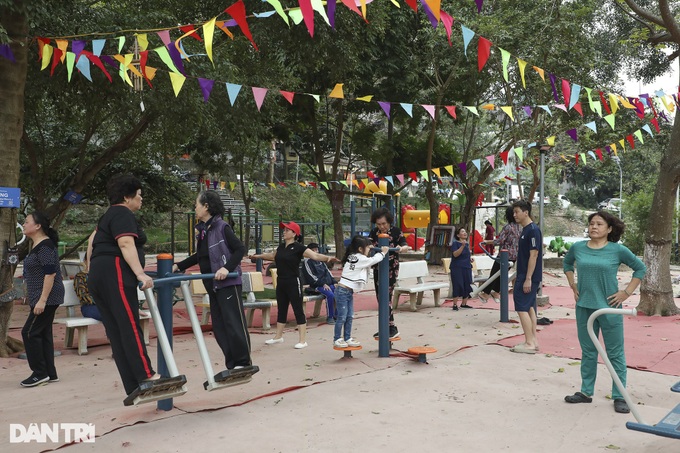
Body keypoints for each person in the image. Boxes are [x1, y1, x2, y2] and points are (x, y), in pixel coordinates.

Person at [87, 174, 165, 397]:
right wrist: (140, 273)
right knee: (129, 324)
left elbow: (92, 244)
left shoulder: (106, 217)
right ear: (126, 197)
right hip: (115, 272)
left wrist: (92, 270)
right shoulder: (122, 213)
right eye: (139, 195)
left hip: (99, 274)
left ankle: (133, 385)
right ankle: (147, 374)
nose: (141, 200)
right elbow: (125, 242)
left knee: (116, 330)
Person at [563, 211, 646, 414]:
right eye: (592, 223)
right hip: (584, 307)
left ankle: (619, 396)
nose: (594, 227)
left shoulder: (617, 250)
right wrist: (572, 284)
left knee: (615, 353)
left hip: (610, 308)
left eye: (599, 224)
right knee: (588, 351)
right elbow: (567, 263)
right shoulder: (578, 247)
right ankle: (585, 392)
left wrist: (626, 293)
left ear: (609, 229)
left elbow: (640, 268)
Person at [173, 191, 254, 372]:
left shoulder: (221, 227)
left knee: (233, 323)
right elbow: (200, 256)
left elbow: (240, 249)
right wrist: (178, 266)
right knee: (219, 327)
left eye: (197, 205)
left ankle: (243, 361)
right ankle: (232, 364)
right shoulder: (204, 231)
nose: (195, 208)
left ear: (206, 206)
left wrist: (227, 269)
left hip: (228, 283)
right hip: (213, 285)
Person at [249, 221, 338, 349]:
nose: (284, 232)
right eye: (284, 230)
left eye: (286, 230)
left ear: (294, 233)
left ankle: (303, 340)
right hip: (282, 282)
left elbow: (315, 255)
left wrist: (328, 258)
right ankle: (278, 337)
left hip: (293, 282)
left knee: (297, 309)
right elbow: (272, 256)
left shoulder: (299, 248)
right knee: (282, 309)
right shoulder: (281, 247)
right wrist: (258, 256)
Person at [20, 212, 65, 387]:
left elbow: (50, 273)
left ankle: (39, 373)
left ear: (37, 226)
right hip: (43, 297)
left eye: (26, 222)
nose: (23, 225)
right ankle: (49, 373)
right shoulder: (38, 245)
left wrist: (42, 300)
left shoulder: (45, 247)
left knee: (29, 332)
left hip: (47, 298)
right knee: (43, 333)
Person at [334, 236, 388, 348]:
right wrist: (383, 253)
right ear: (360, 249)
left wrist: (369, 247)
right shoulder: (361, 258)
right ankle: (337, 338)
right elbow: (373, 260)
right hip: (343, 291)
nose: (369, 250)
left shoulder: (354, 256)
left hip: (347, 291)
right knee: (342, 317)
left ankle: (347, 338)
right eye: (367, 248)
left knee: (349, 316)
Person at [369, 207, 409, 339]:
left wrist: (400, 248)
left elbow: (405, 245)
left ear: (389, 222)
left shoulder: (396, 231)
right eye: (379, 224)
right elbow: (367, 244)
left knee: (386, 296)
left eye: (384, 224)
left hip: (391, 268)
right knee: (380, 298)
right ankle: (384, 326)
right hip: (378, 268)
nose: (381, 227)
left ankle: (391, 327)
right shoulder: (374, 232)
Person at [510, 200, 542, 354]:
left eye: (517, 211)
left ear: (526, 212)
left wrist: (528, 278)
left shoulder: (533, 230)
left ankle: (529, 342)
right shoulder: (526, 230)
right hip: (524, 274)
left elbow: (534, 254)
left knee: (521, 307)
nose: (514, 215)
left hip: (528, 275)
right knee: (529, 307)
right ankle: (533, 340)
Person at [480, 207, 522, 303]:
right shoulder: (519, 227)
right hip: (514, 256)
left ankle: (486, 293)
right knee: (502, 274)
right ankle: (496, 291)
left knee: (494, 274)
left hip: (504, 255)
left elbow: (500, 240)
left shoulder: (508, 227)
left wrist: (487, 242)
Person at [302, 243, 337, 324]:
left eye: (316, 250)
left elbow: (328, 273)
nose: (315, 252)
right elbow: (311, 277)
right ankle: (330, 317)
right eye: (312, 250)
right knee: (330, 295)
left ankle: (337, 315)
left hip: (328, 284)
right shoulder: (307, 262)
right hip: (316, 286)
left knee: (338, 292)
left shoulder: (321, 261)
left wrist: (334, 282)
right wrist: (322, 284)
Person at [449, 226, 475, 310]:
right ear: (458, 235)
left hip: (466, 267)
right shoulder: (455, 243)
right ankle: (455, 304)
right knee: (458, 284)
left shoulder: (466, 244)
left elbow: (465, 255)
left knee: (467, 284)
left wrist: (470, 259)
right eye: (462, 231)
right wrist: (462, 246)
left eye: (465, 232)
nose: (465, 233)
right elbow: (455, 254)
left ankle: (464, 303)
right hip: (457, 268)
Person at [73, 252, 101, 321]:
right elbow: (82, 295)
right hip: (89, 306)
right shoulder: (80, 276)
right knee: (108, 315)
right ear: (85, 261)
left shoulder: (102, 275)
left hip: (104, 306)